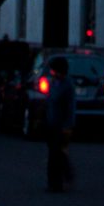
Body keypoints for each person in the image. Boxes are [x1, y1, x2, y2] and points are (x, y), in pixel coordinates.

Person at [43, 55, 76, 191]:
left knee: (56, 155)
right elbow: (50, 101)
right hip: (52, 123)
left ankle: (57, 183)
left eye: (54, 70)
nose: (52, 73)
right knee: (54, 154)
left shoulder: (67, 86)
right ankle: (56, 181)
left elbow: (69, 108)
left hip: (61, 125)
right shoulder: (55, 83)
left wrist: (67, 126)